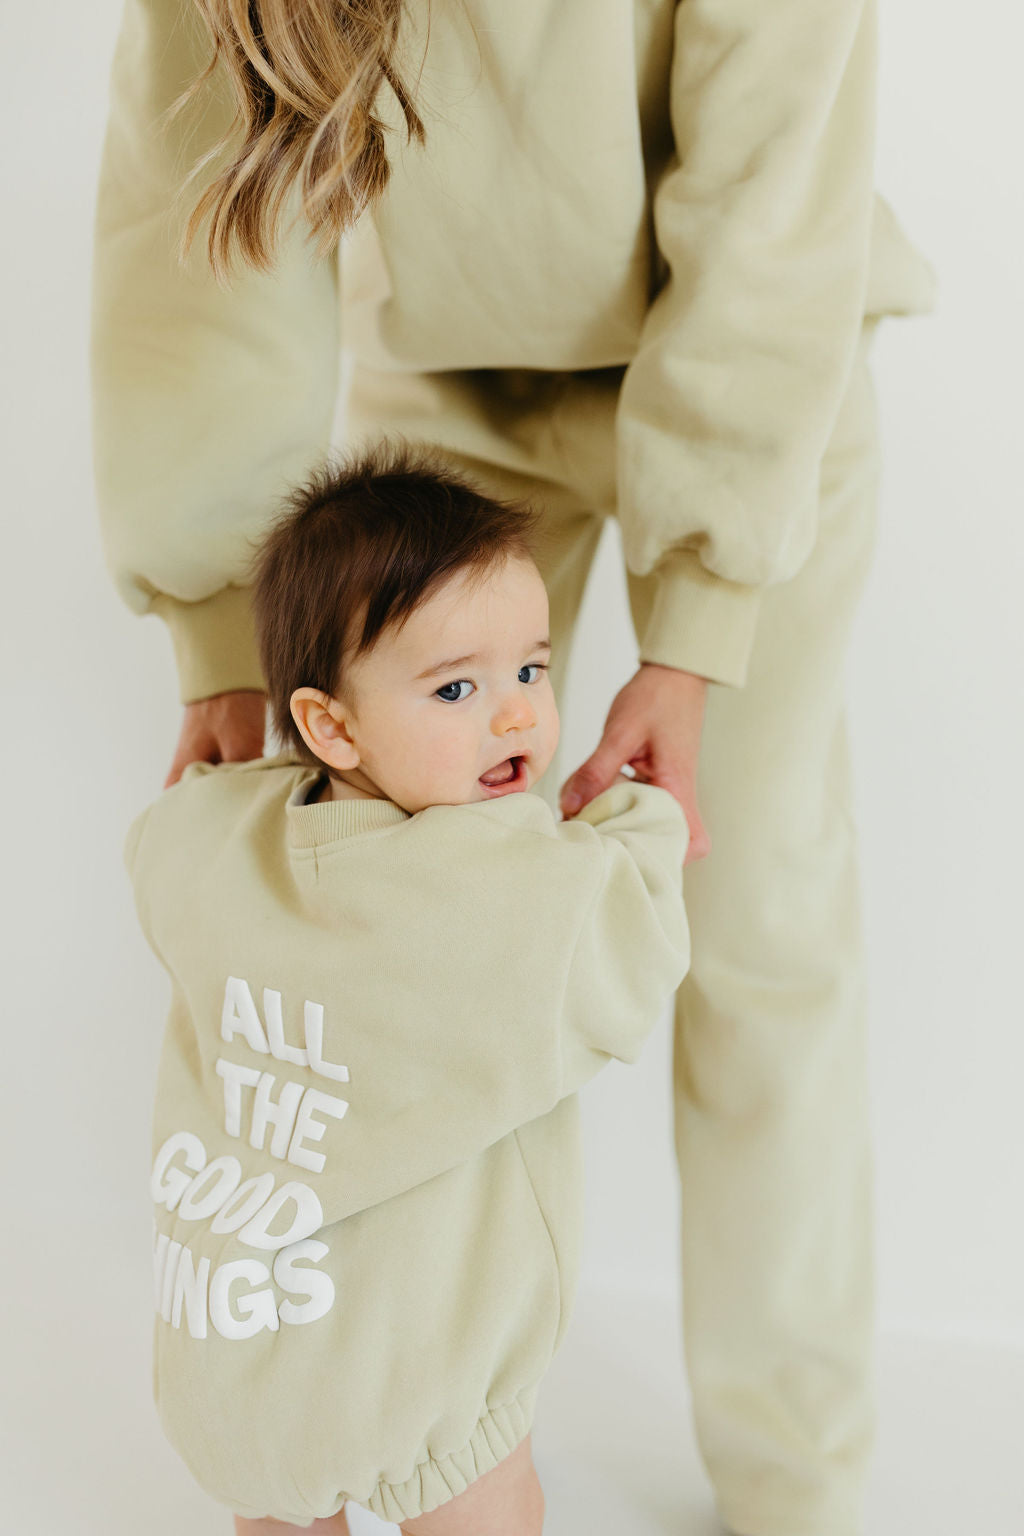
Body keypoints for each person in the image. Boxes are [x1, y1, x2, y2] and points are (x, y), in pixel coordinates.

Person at [91, 3, 939, 1532]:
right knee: (374, 951)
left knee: (751, 933)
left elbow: (773, 187)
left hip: (763, 379)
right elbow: (196, 199)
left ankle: (794, 1489)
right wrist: (224, 634)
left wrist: (699, 622)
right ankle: (389, 1448)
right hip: (445, 395)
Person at [123, 440, 692, 1533]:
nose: (519, 714)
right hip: (420, 1376)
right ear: (331, 724)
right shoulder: (501, 900)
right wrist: (637, 810)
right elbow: (631, 938)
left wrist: (231, 781)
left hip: (230, 1364)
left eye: (531, 668)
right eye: (457, 687)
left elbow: (162, 838)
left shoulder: (215, 839)